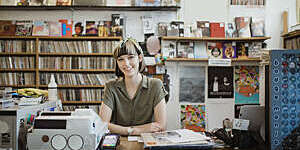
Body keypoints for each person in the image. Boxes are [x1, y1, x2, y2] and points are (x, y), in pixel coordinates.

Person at [99, 38, 168, 135]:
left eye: (130, 57)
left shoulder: (155, 85)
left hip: (148, 143)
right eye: (120, 59)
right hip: (120, 143)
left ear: (139, 58)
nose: (126, 64)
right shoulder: (110, 87)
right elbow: (102, 124)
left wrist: (118, 129)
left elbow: (161, 126)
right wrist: (131, 130)